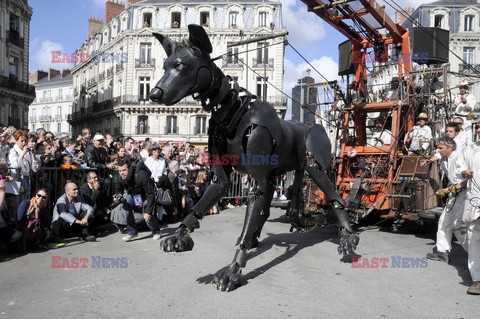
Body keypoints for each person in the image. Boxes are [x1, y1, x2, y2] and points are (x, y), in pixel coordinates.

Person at [426, 137, 466, 263]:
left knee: (458, 227)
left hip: (464, 195)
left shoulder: (458, 157)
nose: (438, 150)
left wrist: (448, 190)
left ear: (450, 148)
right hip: (454, 195)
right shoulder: (446, 160)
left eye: (441, 148)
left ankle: (475, 255)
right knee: (444, 223)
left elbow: (467, 179)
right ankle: (442, 252)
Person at [457, 123, 480, 294]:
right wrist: (464, 171)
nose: (478, 130)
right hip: (475, 201)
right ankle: (477, 280)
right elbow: (460, 164)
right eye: (477, 126)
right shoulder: (471, 148)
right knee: (474, 239)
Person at [115, 159, 161, 241]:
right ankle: (132, 232)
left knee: (147, 214)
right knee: (126, 207)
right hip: (135, 195)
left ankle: (156, 231)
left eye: (124, 170)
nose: (122, 173)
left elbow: (151, 193)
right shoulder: (120, 177)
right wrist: (118, 195)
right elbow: (118, 190)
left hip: (146, 195)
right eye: (120, 170)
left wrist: (148, 211)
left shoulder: (141, 175)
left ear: (130, 169)